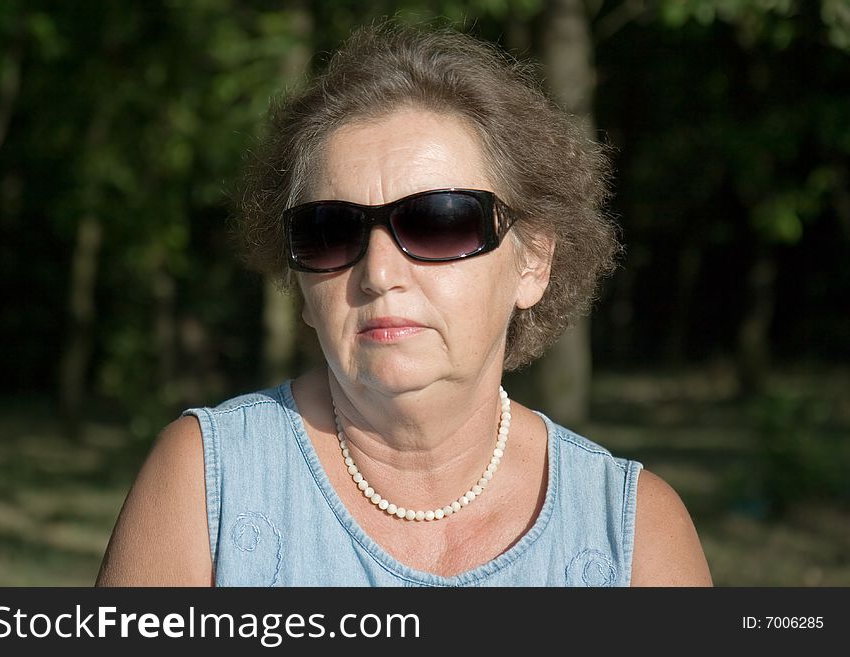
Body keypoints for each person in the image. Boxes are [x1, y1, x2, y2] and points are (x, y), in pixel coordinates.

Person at [96, 20, 712, 587]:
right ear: (303, 291)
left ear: (533, 263)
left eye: (439, 222)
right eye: (331, 231)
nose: (379, 272)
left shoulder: (635, 538)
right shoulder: (206, 485)